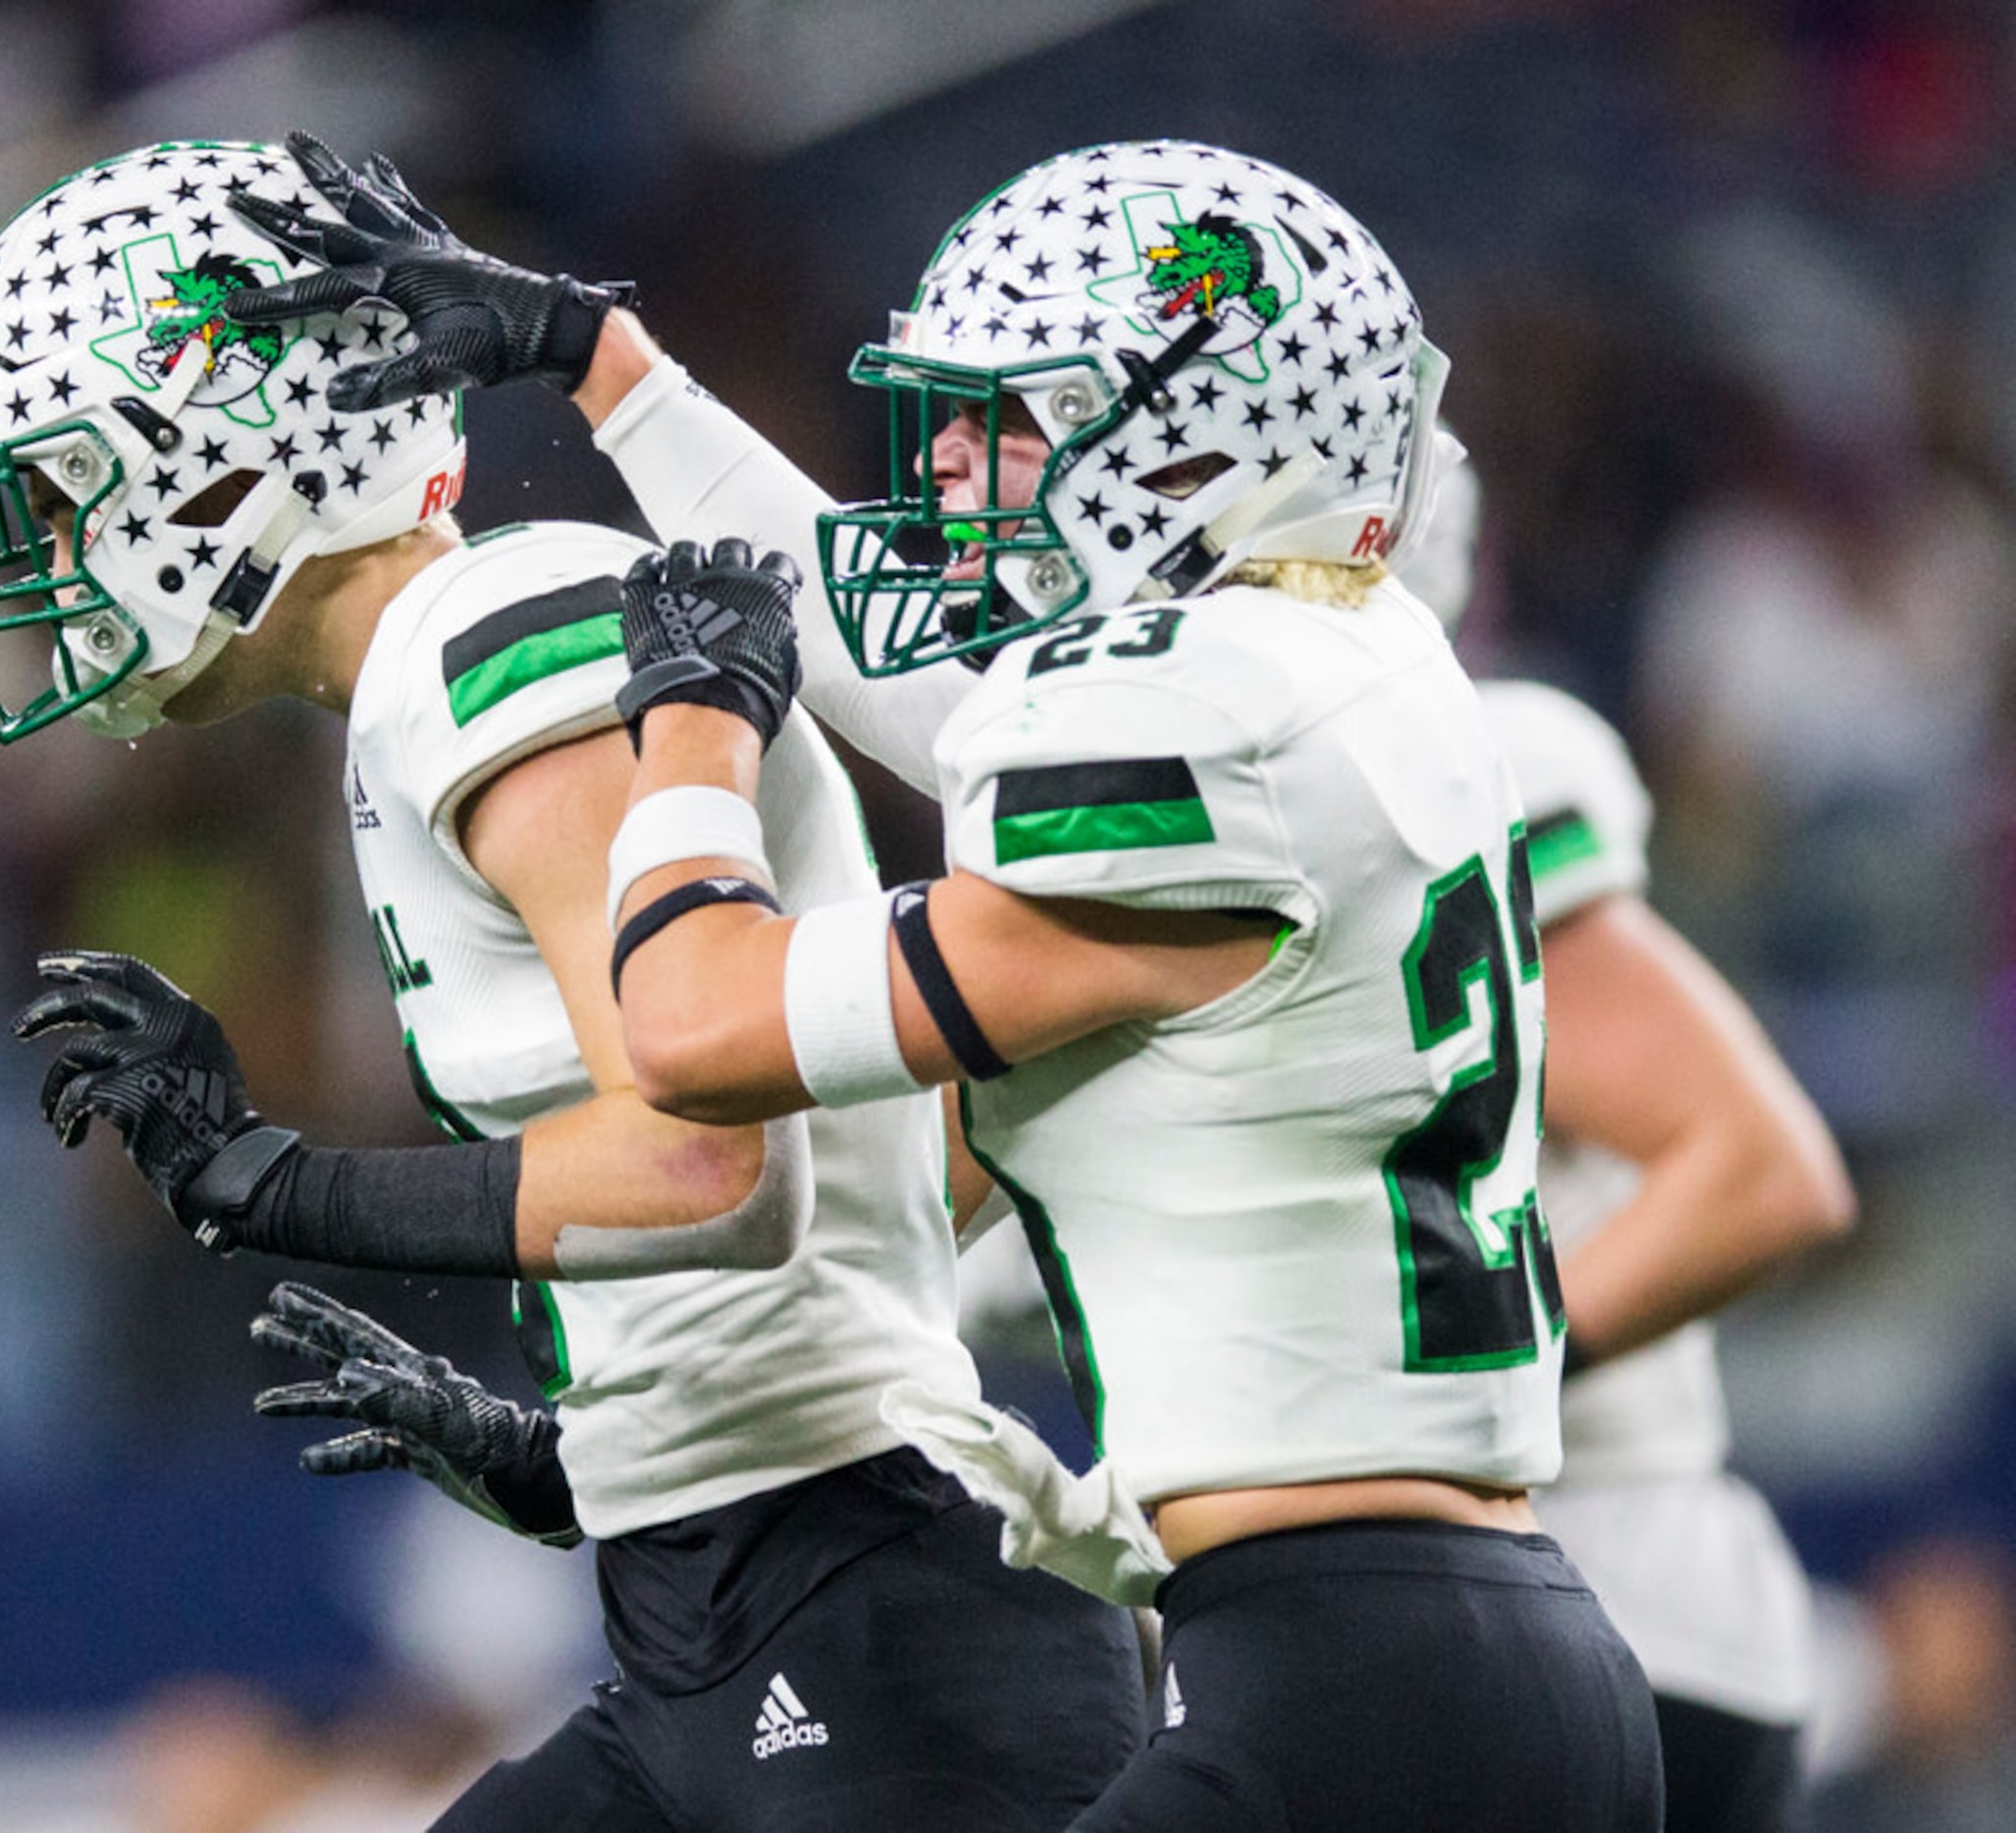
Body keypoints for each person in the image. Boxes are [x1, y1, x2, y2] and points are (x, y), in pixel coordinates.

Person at [230, 137, 1668, 1826]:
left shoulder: (1193, 727)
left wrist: (691, 730)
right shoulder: (1354, 675)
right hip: (1445, 1644)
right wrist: (603, 368)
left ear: (1199, 442)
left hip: (1345, 1681)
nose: (961, 470)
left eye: (1021, 421)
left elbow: (692, 1033)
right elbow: (900, 671)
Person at [0, 138, 1147, 1830]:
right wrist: (586, 1447)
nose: (45, 551)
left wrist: (269, 1181)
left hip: (870, 1610)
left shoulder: (485, 644)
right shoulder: (447, 672)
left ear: (215, 460)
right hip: (744, 1596)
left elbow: (707, 1159)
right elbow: (899, 1145)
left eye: (62, 487)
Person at [1398, 458, 1857, 1831]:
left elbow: (1759, 1170)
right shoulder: (1117, 811)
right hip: (1426, 1615)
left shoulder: (1476, 758)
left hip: (1589, 1592)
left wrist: (1447, 1399)